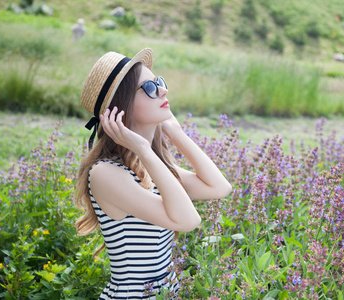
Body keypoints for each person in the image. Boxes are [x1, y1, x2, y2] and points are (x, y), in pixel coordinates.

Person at [74, 48, 232, 299]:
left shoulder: (151, 166)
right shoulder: (105, 173)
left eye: (160, 82)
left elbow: (219, 188)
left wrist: (176, 133)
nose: (163, 90)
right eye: (149, 87)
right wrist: (142, 148)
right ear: (122, 106)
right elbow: (189, 221)